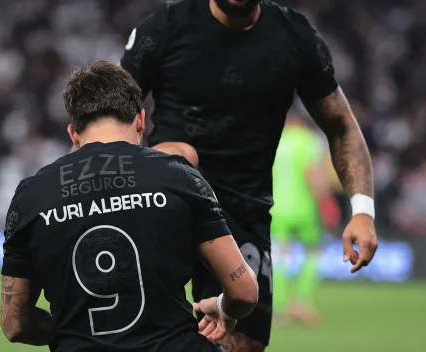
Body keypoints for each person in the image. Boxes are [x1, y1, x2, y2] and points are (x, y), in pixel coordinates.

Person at [120, 0, 379, 350]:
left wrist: (362, 210)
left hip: (243, 213)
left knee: (242, 343)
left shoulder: (295, 36)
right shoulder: (164, 29)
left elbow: (340, 125)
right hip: (163, 200)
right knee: (141, 336)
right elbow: (111, 119)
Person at [0, 60, 259, 352]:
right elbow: (244, 292)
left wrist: (71, 329)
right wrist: (224, 307)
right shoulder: (179, 176)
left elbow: (14, 325)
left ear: (73, 133)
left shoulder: (31, 196)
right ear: (140, 120)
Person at [270, 113, 341, 326]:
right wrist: (327, 203)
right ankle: (301, 302)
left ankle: (280, 307)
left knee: (278, 256)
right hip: (304, 208)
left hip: (275, 207)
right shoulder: (309, 141)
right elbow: (313, 174)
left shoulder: (273, 139)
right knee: (313, 250)